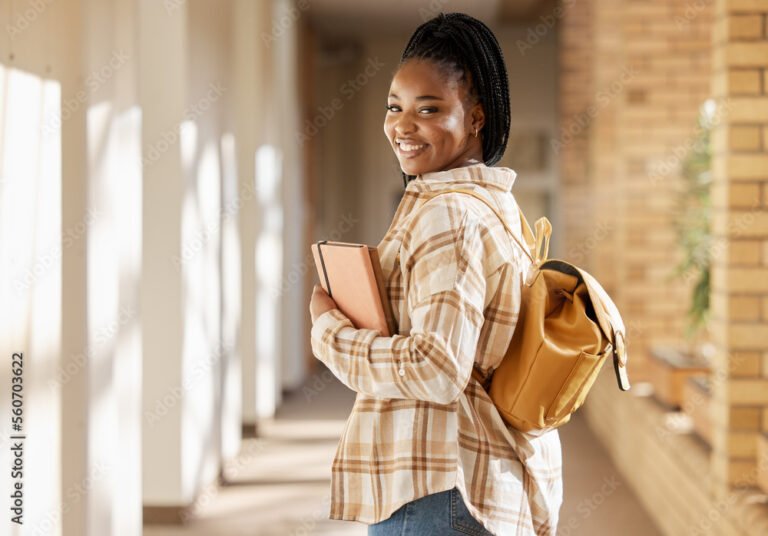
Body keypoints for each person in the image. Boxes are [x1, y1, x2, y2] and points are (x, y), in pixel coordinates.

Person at [309, 12, 563, 536]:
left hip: (437, 492)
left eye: (429, 109)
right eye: (394, 107)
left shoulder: (448, 213)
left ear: (475, 118)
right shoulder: (496, 207)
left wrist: (329, 333)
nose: (403, 126)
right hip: (472, 483)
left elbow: (437, 366)